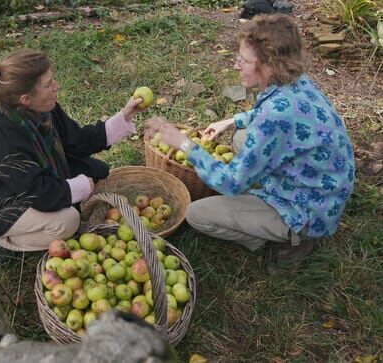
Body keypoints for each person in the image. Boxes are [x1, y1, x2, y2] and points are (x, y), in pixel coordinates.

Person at [147, 14, 355, 272]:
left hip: (307, 209)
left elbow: (231, 183)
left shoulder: (274, 118)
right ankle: (279, 221)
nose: (236, 65)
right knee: (240, 136)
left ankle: (293, 238)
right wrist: (232, 119)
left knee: (197, 214)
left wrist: (184, 145)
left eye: (244, 61)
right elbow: (279, 112)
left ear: (270, 65)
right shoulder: (295, 81)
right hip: (327, 186)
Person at [0, 48, 143, 251]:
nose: (56, 86)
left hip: (23, 185)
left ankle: (26, 225)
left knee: (95, 171)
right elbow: (38, 193)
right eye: (48, 85)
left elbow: (77, 141)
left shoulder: (43, 111)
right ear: (25, 99)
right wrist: (79, 188)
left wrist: (124, 115)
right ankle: (2, 242)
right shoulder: (0, 137)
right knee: (68, 221)